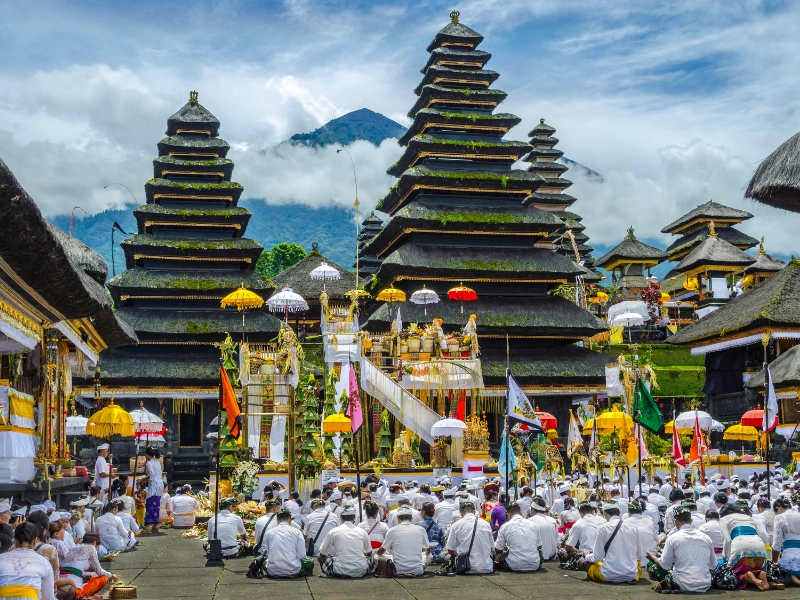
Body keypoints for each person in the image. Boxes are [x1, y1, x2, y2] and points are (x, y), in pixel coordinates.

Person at [646, 506, 717, 593]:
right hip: (705, 584)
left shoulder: (673, 538)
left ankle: (669, 584)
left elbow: (664, 564)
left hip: (682, 584)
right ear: (691, 521)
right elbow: (713, 565)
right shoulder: (706, 538)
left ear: (676, 522)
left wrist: (652, 557)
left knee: (651, 565)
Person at [578, 503, 646, 583]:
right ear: (619, 513)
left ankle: (590, 575)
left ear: (605, 513)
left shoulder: (602, 528)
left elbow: (597, 557)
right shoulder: (633, 527)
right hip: (632, 575)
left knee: (582, 561)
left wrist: (586, 555)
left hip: (608, 576)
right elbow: (640, 555)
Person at [719, 502, 773, 590]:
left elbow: (728, 540)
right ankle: (760, 574)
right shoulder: (749, 517)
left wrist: (726, 560)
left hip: (741, 549)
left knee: (734, 573)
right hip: (760, 550)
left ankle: (746, 576)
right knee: (753, 568)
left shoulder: (723, 519)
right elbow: (760, 535)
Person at [0, 522, 56, 600]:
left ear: (15, 540)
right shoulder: (44, 563)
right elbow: (48, 597)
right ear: (35, 541)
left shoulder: (1, 558)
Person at [317, 506, 374, 578]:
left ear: (341, 517)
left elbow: (322, 552)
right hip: (360, 570)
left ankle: (328, 572)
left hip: (339, 569)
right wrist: (362, 554)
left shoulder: (334, 531)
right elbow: (369, 553)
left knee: (320, 557)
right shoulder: (362, 532)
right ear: (354, 518)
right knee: (371, 558)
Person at [60, 533, 117, 599]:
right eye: (98, 548)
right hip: (76, 591)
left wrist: (93, 574)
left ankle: (91, 596)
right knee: (104, 577)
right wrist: (111, 575)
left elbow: (77, 571)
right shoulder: (91, 547)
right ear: (95, 543)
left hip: (62, 582)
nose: (97, 550)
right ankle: (85, 596)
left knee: (94, 575)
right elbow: (99, 571)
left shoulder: (74, 547)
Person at [444, 501, 494, 575]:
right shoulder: (486, 524)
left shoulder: (456, 525)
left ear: (461, 512)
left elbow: (450, 550)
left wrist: (459, 554)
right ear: (474, 511)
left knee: (446, 556)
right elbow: (492, 548)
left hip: (465, 568)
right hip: (486, 567)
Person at [378, 506, 429, 577]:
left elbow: (382, 550)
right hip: (417, 570)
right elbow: (428, 550)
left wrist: (376, 554)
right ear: (411, 519)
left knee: (379, 556)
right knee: (429, 556)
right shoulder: (421, 529)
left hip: (398, 569)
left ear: (398, 519)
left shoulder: (392, 530)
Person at [495, 503, 541, 572]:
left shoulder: (505, 526)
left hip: (514, 565)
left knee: (495, 557)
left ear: (508, 515)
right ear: (521, 513)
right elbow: (539, 546)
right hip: (534, 564)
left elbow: (498, 549)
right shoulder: (533, 525)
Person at [261, 510, 306, 578]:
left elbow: (268, 553)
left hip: (273, 570)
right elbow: (302, 555)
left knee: (264, 561)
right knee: (309, 561)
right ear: (290, 519)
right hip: (293, 569)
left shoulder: (269, 532)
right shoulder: (297, 532)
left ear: (277, 520)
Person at [772, 497, 800, 586]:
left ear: (778, 508)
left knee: (787, 574)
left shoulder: (780, 517)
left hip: (791, 558)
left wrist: (774, 562)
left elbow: (777, 544)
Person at [139, 447, 163, 534]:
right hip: (159, 485)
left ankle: (149, 525)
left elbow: (151, 475)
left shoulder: (149, 463)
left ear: (146, 455)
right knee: (156, 504)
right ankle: (156, 525)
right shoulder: (157, 462)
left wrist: (143, 480)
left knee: (150, 504)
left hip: (153, 485)